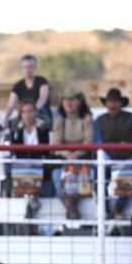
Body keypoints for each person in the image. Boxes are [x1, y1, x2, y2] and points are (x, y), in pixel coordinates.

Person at [94, 88, 132, 219]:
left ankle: (118, 208)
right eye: (109, 102)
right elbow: (97, 144)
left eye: (115, 102)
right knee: (98, 176)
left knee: (128, 177)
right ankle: (104, 209)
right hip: (107, 161)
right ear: (106, 104)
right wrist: (106, 159)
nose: (112, 105)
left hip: (129, 161)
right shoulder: (99, 121)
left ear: (121, 104)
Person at [50, 87, 95, 219]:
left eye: (71, 99)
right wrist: (68, 155)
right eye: (65, 99)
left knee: (87, 176)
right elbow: (56, 143)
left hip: (83, 161)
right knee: (56, 175)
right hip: (65, 161)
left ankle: (71, 208)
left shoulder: (87, 118)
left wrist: (76, 154)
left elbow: (89, 141)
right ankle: (72, 208)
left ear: (79, 101)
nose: (68, 103)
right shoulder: (59, 119)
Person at [10, 99, 51, 219]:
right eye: (24, 112)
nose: (27, 115)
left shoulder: (42, 128)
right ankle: (32, 199)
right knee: (23, 167)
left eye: (30, 111)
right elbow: (15, 150)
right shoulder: (17, 129)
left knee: (32, 167)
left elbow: (45, 149)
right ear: (20, 114)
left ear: (35, 112)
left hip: (38, 161)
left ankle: (29, 201)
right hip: (22, 163)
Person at [0, 54, 51, 132]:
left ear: (35, 68)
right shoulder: (18, 85)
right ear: (21, 69)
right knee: (10, 126)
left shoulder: (42, 81)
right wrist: (5, 119)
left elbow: (43, 97)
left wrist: (33, 111)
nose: (27, 69)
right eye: (25, 67)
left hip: (41, 114)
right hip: (25, 116)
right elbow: (10, 105)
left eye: (30, 67)